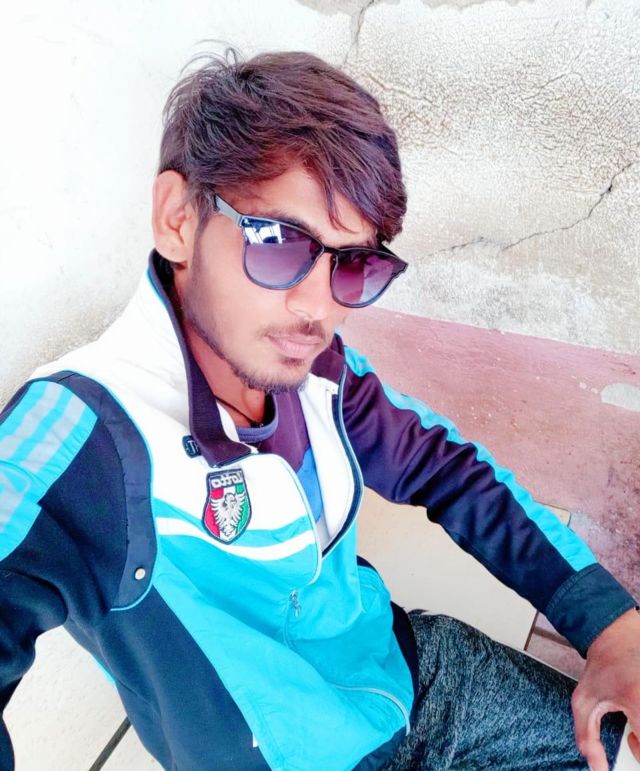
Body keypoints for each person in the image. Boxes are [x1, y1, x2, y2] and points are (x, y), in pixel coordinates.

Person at [0, 49, 638, 771]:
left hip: (412, 680)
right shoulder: (73, 440)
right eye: (278, 244)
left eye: (353, 263)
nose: (319, 307)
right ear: (178, 219)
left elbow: (448, 471)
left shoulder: (321, 374)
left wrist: (609, 622)